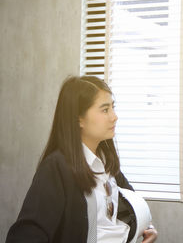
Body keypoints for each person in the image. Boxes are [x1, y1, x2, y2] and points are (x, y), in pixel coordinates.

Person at [7, 76, 158, 243]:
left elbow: (133, 205)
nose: (114, 117)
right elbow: (26, 236)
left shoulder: (107, 163)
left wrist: (147, 227)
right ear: (79, 118)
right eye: (105, 110)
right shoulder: (56, 168)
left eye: (113, 107)